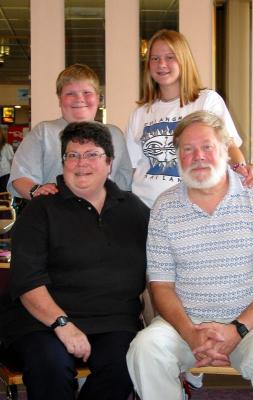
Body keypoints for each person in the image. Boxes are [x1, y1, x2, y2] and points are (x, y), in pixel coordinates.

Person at [126, 111, 253, 400]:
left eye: (207, 146)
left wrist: (237, 329)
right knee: (145, 348)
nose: (197, 156)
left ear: (226, 150)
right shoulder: (165, 208)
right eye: (187, 149)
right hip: (187, 325)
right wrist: (190, 333)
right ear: (177, 156)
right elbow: (161, 286)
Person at [1, 122, 149, 400]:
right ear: (63, 162)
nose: (81, 164)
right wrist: (62, 325)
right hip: (41, 322)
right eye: (72, 155)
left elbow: (161, 266)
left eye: (91, 154)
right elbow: (27, 280)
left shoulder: (134, 210)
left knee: (129, 363)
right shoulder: (40, 210)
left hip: (113, 321)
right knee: (51, 365)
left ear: (109, 162)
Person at [126, 29, 253, 209]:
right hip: (144, 209)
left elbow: (228, 147)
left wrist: (242, 170)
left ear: (183, 60)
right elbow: (134, 167)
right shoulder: (140, 113)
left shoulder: (206, 101)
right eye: (155, 58)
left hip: (191, 208)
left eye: (170, 57)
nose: (161, 64)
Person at [7, 63, 132, 200]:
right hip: (55, 216)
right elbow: (20, 177)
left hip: (103, 217)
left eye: (87, 93)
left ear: (98, 98)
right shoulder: (43, 132)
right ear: (60, 100)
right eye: (70, 93)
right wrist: (37, 191)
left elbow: (124, 182)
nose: (79, 98)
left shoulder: (115, 135)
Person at [0, 127, 14, 192]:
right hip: (5, 174)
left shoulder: (7, 147)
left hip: (5, 174)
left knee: (5, 194)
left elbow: (12, 162)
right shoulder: (7, 146)